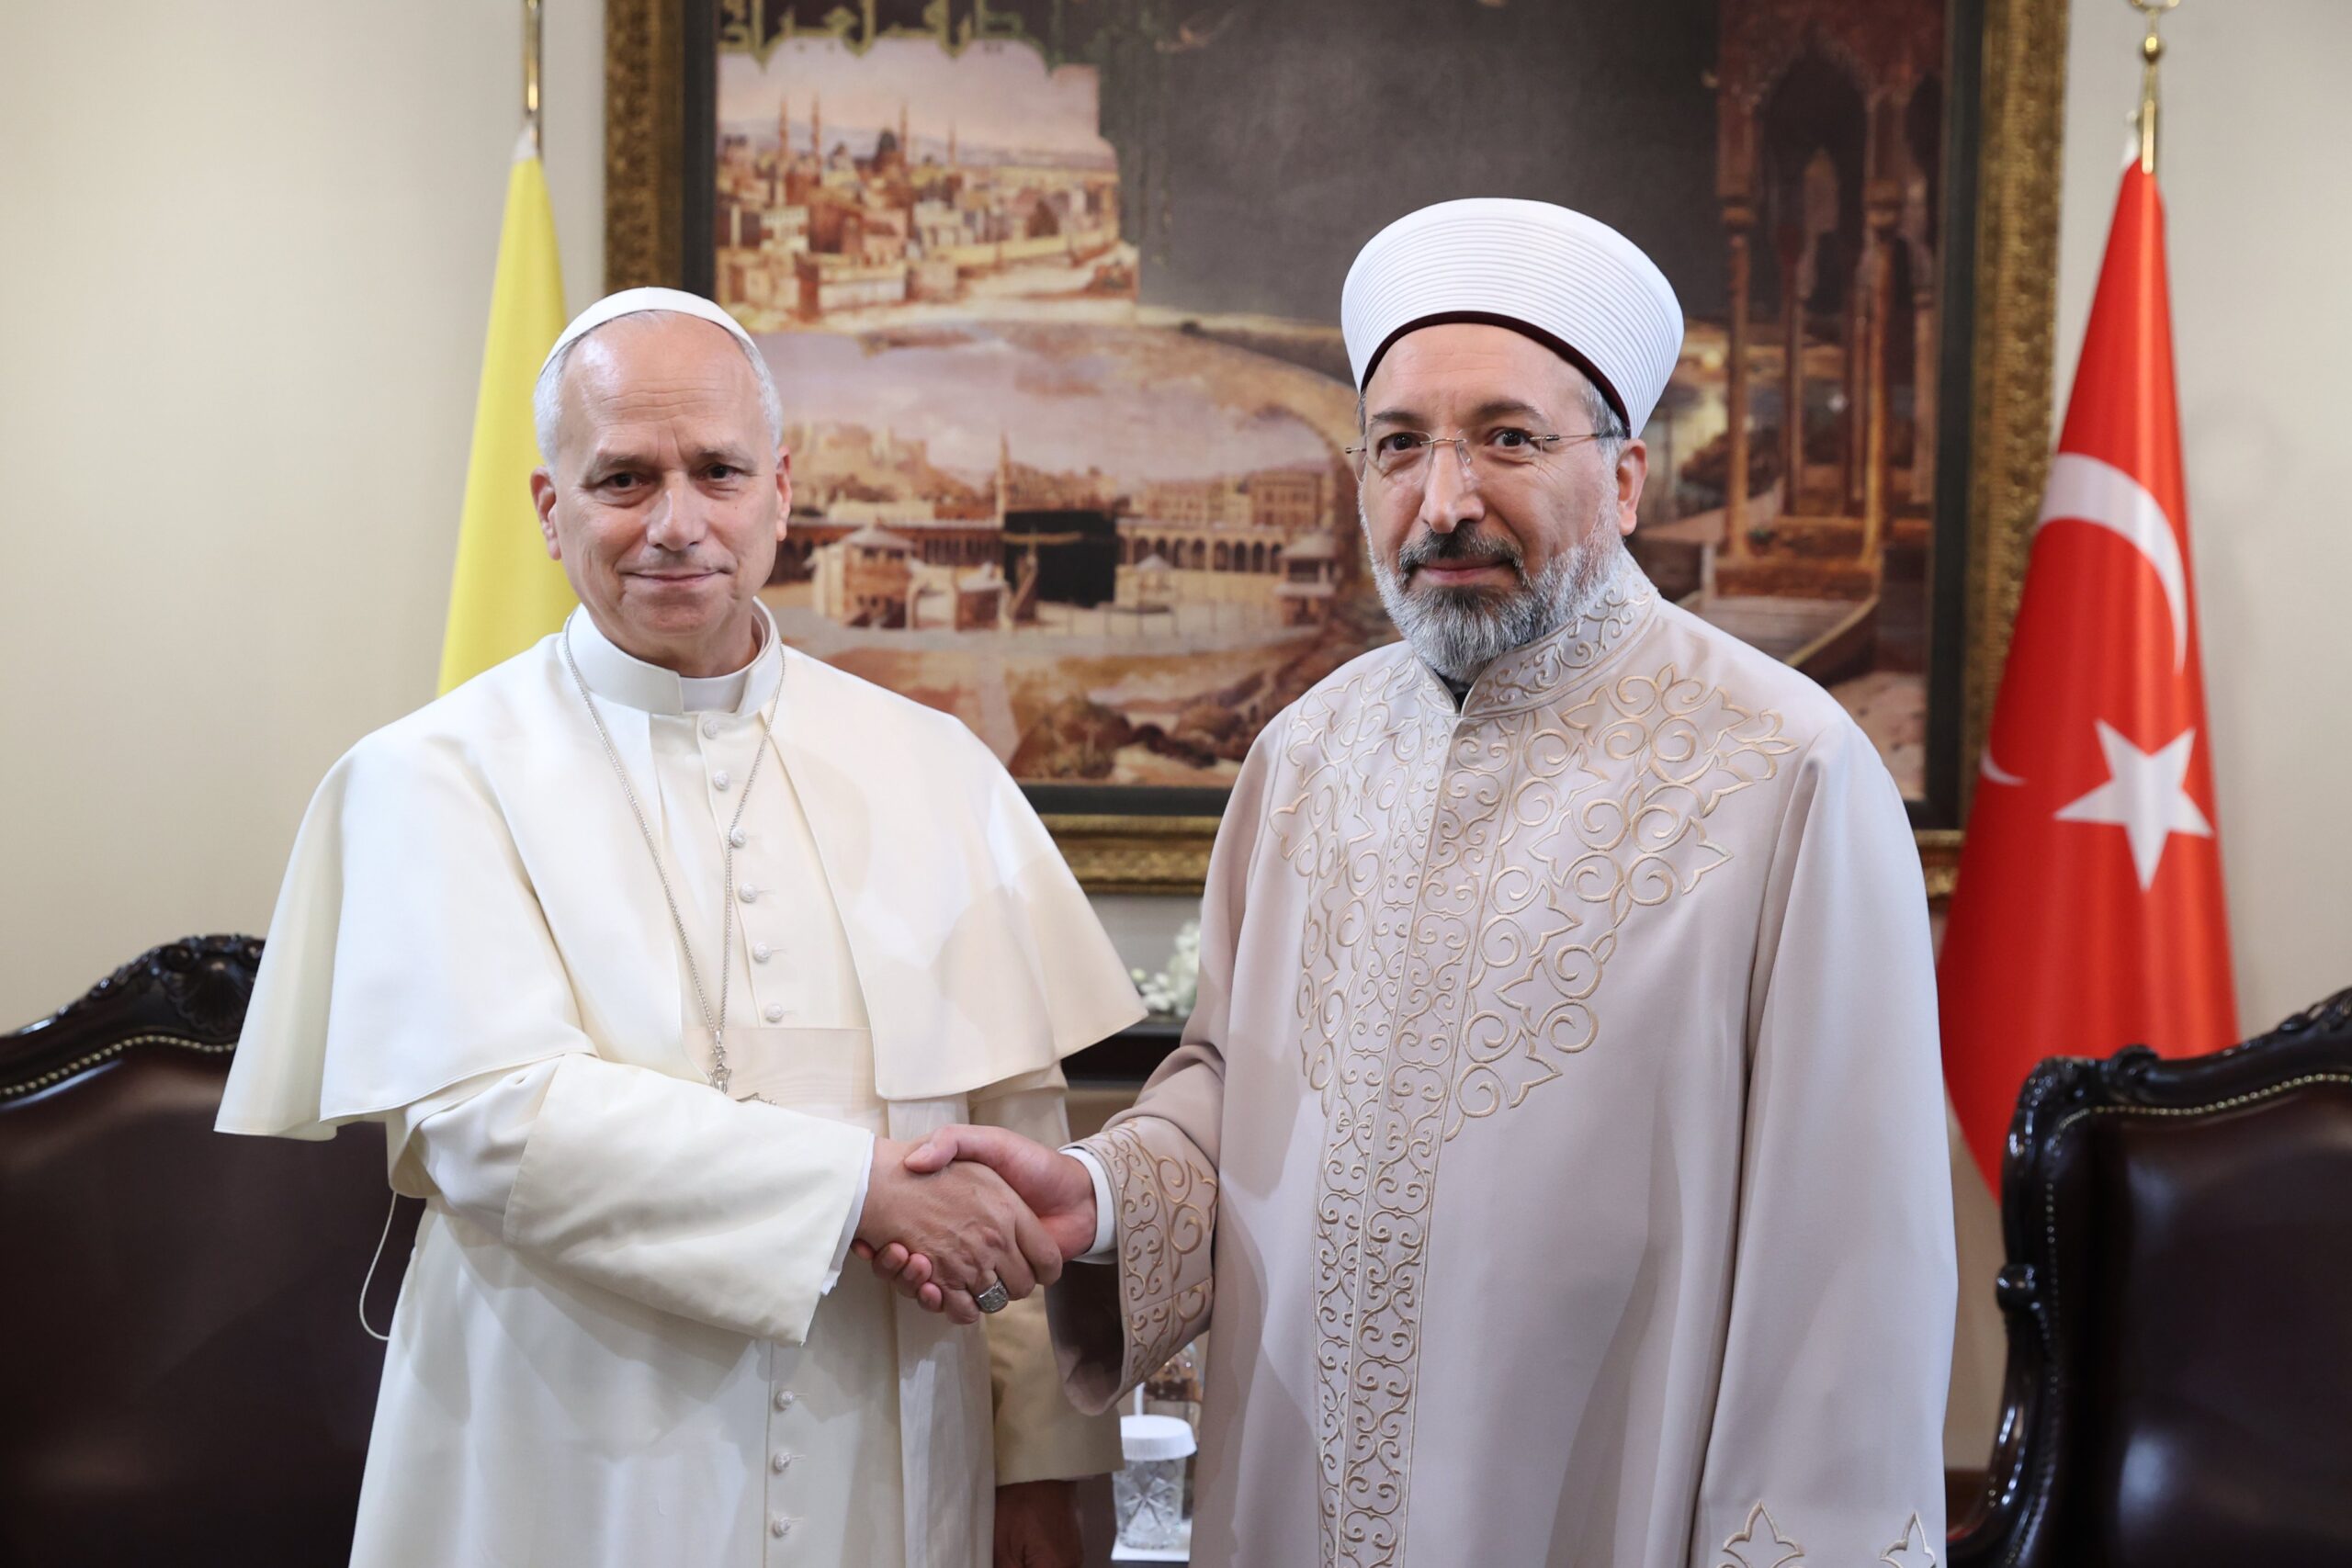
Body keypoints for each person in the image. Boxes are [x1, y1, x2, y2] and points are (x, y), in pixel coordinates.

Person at [860, 201, 1957, 1567]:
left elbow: (1847, 1272)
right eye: (1398, 446)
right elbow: (1233, 1088)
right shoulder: (1305, 756)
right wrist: (1103, 1194)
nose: (1444, 503)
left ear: (1625, 480)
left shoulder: (1786, 770)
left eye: (1507, 439)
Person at [216, 288, 1142, 1568]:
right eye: (623, 480)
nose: (675, 523)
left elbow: (1011, 1133)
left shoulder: (936, 769)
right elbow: (494, 1122)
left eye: (718, 471)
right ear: (551, 508)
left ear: (781, 493)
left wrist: (1039, 1467)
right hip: (567, 1457)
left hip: (892, 1454)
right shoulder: (429, 777)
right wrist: (858, 1190)